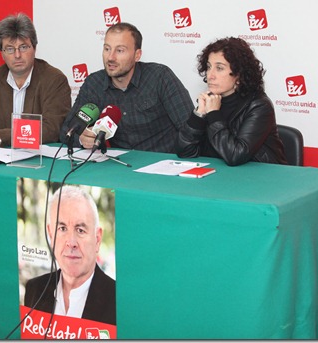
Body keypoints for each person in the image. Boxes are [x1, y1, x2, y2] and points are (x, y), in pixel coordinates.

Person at [59, 22, 193, 153]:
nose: (111, 57)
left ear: (137, 55)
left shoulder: (160, 77)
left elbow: (190, 128)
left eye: (120, 50)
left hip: (161, 163)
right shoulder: (94, 84)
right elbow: (66, 131)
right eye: (107, 49)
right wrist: (82, 139)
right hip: (117, 167)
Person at [0, 13, 71, 147]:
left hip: (39, 159)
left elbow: (51, 129)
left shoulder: (54, 80)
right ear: (2, 53)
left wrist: (0, 137)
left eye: (23, 47)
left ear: (34, 48)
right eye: (10, 49)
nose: (17, 55)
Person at [175, 37, 287, 166]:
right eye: (208, 67)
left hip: (261, 179)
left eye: (219, 68)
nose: (210, 75)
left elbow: (235, 155)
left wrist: (213, 114)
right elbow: (184, 152)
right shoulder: (211, 100)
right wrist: (199, 114)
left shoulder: (259, 106)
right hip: (219, 177)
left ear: (238, 74)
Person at [24, 185, 116, 325]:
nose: (71, 242)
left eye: (80, 230)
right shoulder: (34, 289)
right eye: (62, 228)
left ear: (97, 239)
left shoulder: (117, 299)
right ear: (50, 234)